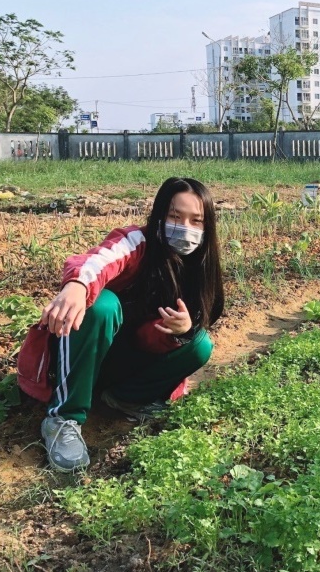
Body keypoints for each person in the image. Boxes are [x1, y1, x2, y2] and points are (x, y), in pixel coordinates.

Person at [25, 177, 225, 472]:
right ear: (159, 215)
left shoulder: (198, 268)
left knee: (199, 345)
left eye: (196, 221)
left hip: (127, 358)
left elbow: (150, 338)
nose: (185, 227)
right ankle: (63, 417)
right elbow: (99, 261)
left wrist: (179, 332)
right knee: (102, 306)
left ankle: (124, 399)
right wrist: (78, 285)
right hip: (86, 352)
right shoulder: (137, 242)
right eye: (174, 216)